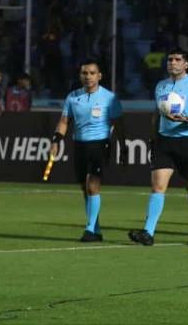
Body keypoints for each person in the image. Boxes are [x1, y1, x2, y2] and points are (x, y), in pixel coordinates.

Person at [129, 50, 188, 246]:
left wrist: (187, 118)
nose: (173, 63)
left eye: (177, 60)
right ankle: (148, 233)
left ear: (186, 64)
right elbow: (157, 114)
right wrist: (153, 137)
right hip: (164, 141)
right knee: (158, 186)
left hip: (187, 141)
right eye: (170, 60)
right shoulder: (161, 86)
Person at [50, 60, 122, 241]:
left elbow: (119, 123)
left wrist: (123, 145)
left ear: (99, 76)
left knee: (93, 186)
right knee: (84, 188)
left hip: (100, 145)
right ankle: (96, 229)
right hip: (80, 145)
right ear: (80, 76)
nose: (88, 76)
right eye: (84, 73)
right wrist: (57, 139)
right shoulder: (73, 97)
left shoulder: (109, 97)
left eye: (92, 73)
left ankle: (89, 229)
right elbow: (65, 121)